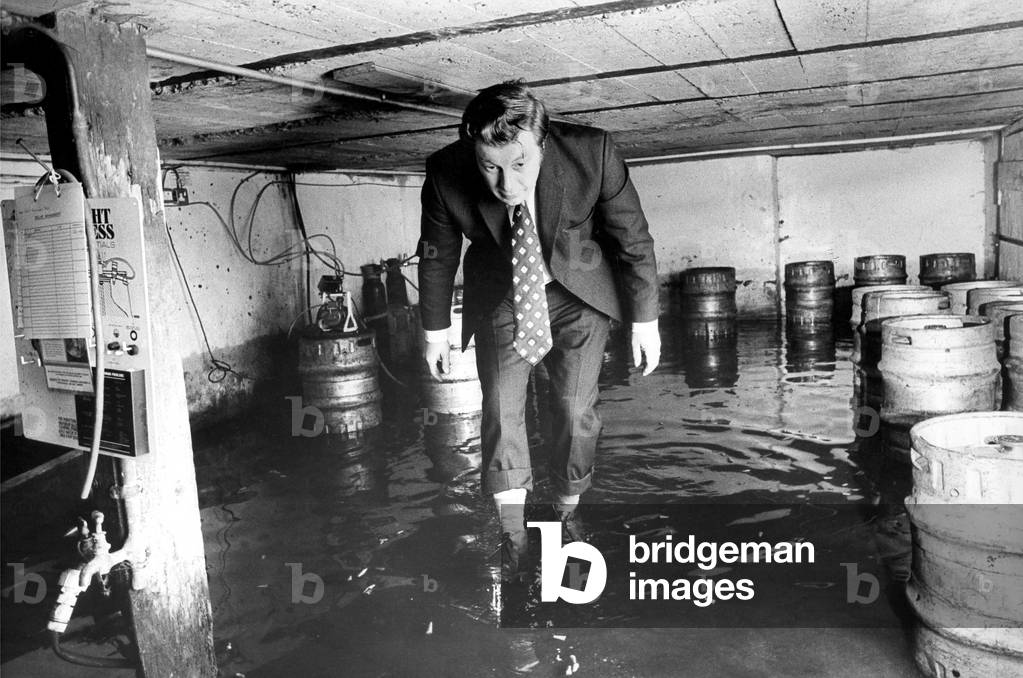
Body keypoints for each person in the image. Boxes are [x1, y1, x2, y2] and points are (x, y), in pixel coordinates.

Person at [417, 80, 660, 580]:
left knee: (574, 409)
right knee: (502, 412)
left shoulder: (593, 153)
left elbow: (632, 238)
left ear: (543, 144)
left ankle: (568, 512)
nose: (505, 184)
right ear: (473, 151)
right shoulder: (444, 172)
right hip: (503, 293)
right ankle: (514, 535)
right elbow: (436, 254)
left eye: (519, 164)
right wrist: (434, 332)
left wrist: (645, 320)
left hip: (578, 294)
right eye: (490, 166)